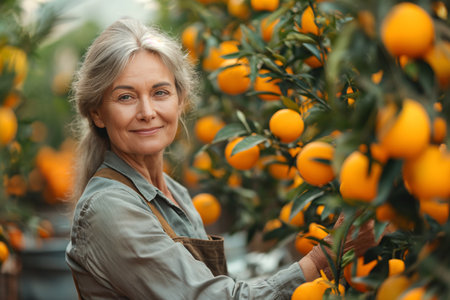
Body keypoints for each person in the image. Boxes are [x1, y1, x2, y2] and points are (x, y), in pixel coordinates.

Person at [65, 18, 377, 299]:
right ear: (97, 113)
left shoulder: (176, 195)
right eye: (126, 97)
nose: (147, 112)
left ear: (180, 99)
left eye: (160, 92)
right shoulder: (109, 209)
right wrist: (326, 255)